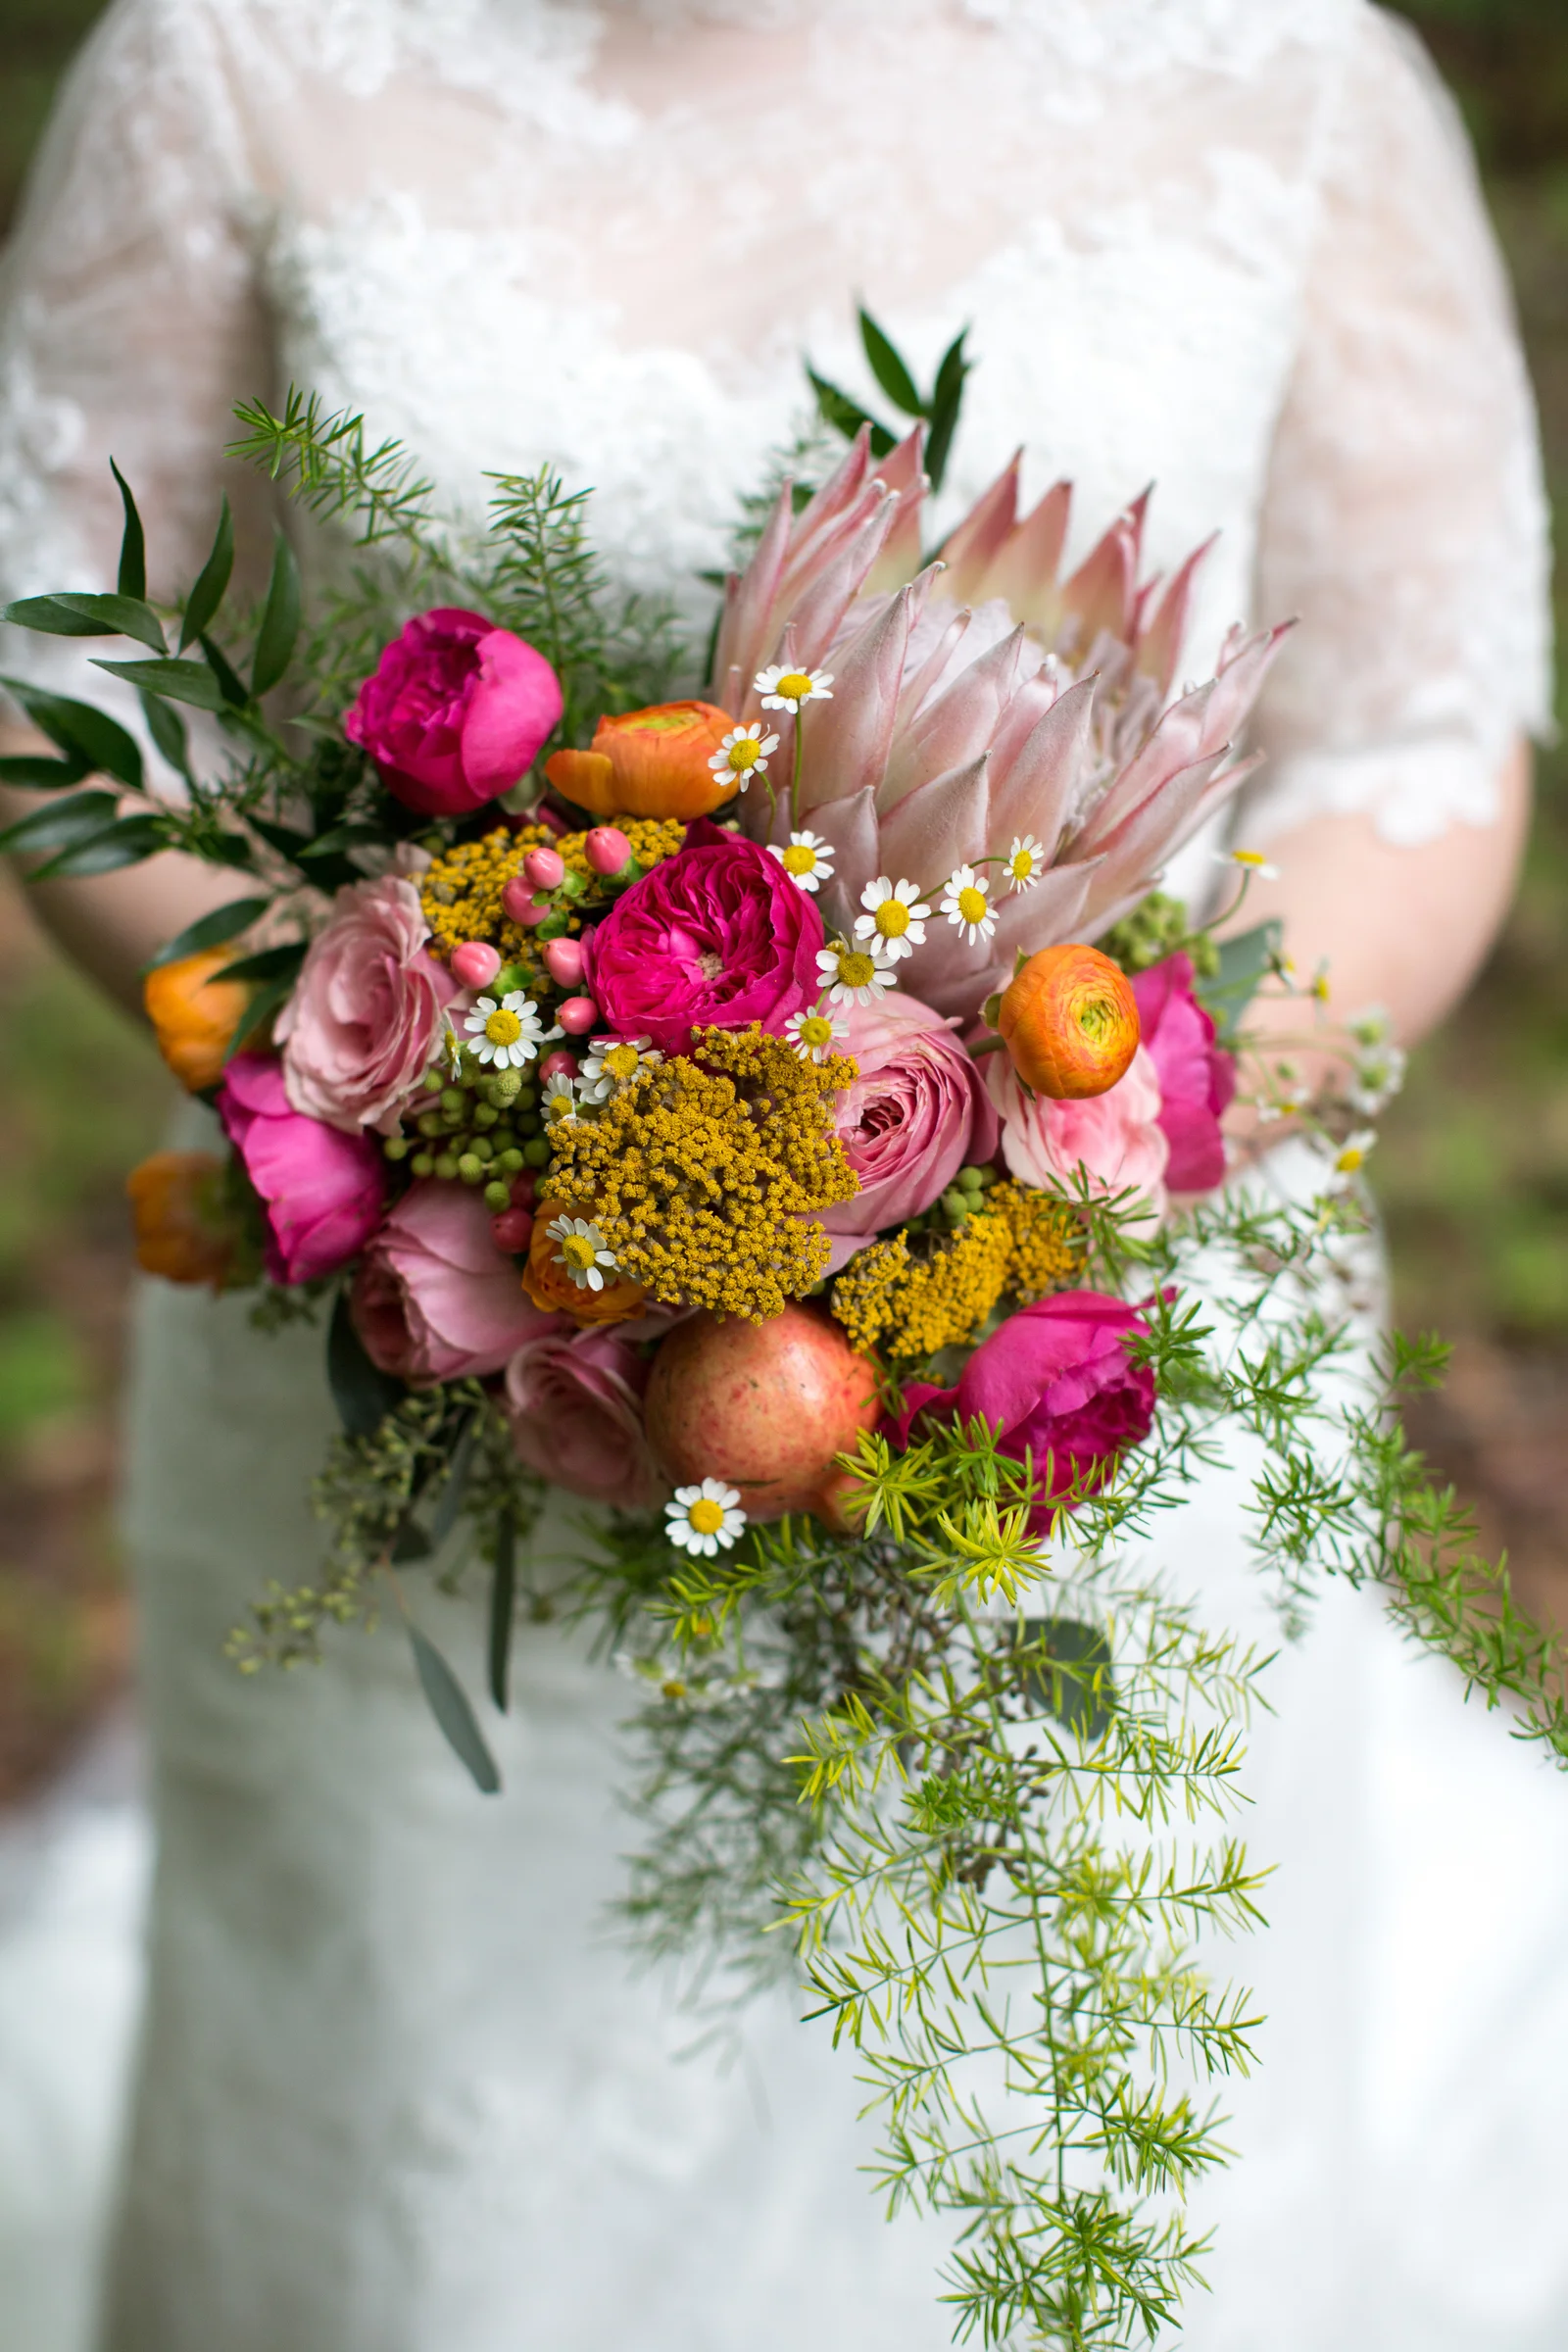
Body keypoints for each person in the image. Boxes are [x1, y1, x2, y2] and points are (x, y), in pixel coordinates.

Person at [0, 2, 1556, 2347]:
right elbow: (59, 684)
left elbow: (1418, 736)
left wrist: (1065, 1169)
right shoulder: (231, 52)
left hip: (1081, 1374)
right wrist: (451, 1111)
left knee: (1060, 2103)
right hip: (427, 1350)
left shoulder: (1287, 75)